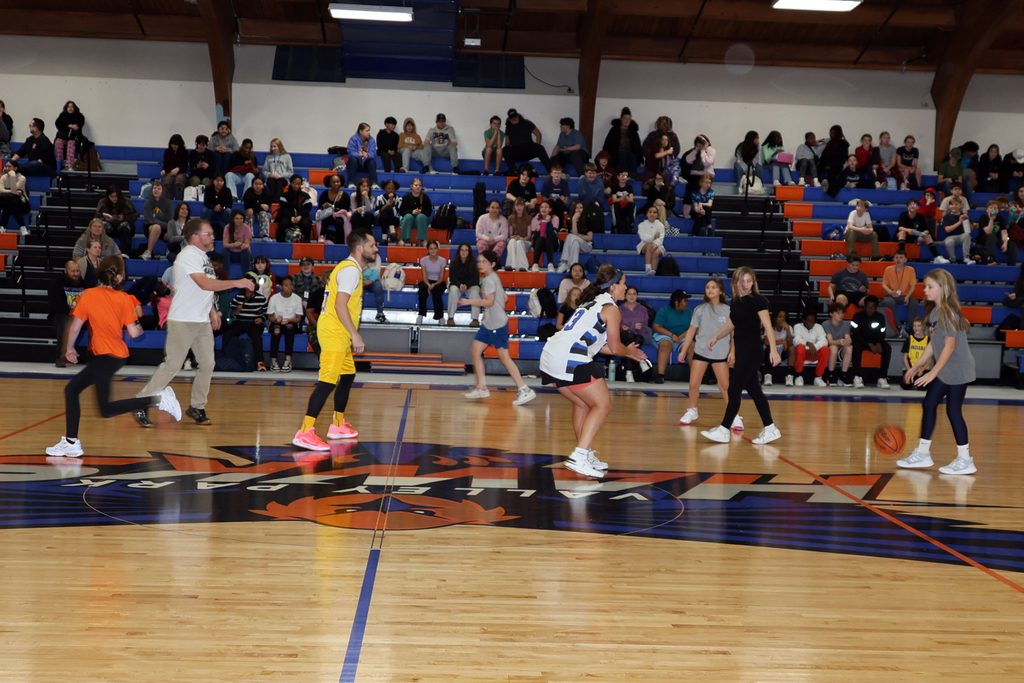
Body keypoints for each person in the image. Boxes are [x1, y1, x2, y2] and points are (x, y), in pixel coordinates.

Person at [45, 256, 181, 458]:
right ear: (120, 276)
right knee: (103, 408)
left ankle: (159, 399)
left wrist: (69, 349)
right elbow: (135, 334)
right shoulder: (124, 299)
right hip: (113, 356)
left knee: (73, 390)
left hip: (107, 356)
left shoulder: (88, 295)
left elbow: (74, 327)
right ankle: (71, 442)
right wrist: (137, 323)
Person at [133, 219, 255, 428]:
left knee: (208, 364)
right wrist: (238, 282)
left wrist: (213, 311)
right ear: (195, 237)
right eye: (208, 234)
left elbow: (200, 289)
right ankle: (141, 402)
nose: (213, 237)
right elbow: (205, 283)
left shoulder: (203, 258)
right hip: (183, 320)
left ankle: (197, 406)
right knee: (172, 364)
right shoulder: (188, 255)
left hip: (201, 321)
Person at [540, 264, 647, 478]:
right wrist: (627, 351)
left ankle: (584, 452)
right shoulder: (612, 309)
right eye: (623, 283)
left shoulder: (593, 302)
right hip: (569, 358)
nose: (625, 288)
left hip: (550, 355)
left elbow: (602, 346)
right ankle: (579, 455)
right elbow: (616, 348)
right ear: (614, 286)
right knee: (603, 404)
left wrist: (628, 353)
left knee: (581, 403)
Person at [292, 230, 378, 450]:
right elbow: (340, 306)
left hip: (339, 332)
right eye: (372, 245)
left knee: (348, 375)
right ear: (360, 248)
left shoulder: (348, 268)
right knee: (328, 381)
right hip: (334, 332)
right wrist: (355, 335)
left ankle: (338, 425)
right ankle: (304, 431)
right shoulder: (350, 271)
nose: (375, 249)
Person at [896, 270, 978, 475]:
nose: (925, 290)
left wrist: (932, 373)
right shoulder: (934, 312)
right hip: (945, 368)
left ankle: (965, 459)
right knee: (929, 404)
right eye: (925, 286)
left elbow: (949, 347)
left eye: (930, 287)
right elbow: (934, 346)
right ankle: (923, 454)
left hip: (958, 369)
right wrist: (916, 367)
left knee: (953, 411)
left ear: (943, 288)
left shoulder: (949, 313)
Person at [700, 266, 782, 445]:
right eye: (743, 281)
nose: (746, 285)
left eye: (749, 281)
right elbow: (731, 324)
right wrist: (716, 337)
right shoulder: (737, 302)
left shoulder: (758, 300)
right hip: (743, 350)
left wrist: (774, 350)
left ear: (754, 282)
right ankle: (770, 428)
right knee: (754, 390)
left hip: (752, 351)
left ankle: (724, 429)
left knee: (734, 388)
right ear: (735, 282)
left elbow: (768, 326)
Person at [461, 249, 538, 405]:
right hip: (489, 323)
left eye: (484, 262)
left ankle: (524, 389)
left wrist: (469, 302)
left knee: (504, 357)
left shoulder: (489, 280)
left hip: (497, 325)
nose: (480, 264)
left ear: (493, 264)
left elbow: (489, 301)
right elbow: (504, 297)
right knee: (475, 352)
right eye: (479, 261)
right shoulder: (492, 278)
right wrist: (488, 312)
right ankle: (482, 387)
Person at [678, 278, 741, 429]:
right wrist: (684, 350)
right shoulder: (699, 310)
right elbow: (692, 331)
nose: (710, 290)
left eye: (714, 287)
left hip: (721, 353)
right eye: (708, 287)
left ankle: (735, 416)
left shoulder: (728, 311)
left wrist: (733, 351)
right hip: (701, 351)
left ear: (720, 291)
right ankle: (692, 410)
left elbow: (733, 334)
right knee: (694, 383)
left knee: (725, 386)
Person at [222, 274, 269, 371]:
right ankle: (225, 357)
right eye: (248, 283)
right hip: (240, 321)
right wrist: (237, 310)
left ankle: (259, 361)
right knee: (228, 334)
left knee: (256, 336)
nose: (251, 285)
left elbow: (266, 314)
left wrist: (261, 319)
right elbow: (231, 315)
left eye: (252, 282)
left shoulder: (261, 298)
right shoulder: (238, 297)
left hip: (254, 322)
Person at [47, 260, 84, 367]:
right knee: (65, 321)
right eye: (73, 271)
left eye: (77, 271)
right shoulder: (56, 284)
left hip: (80, 316)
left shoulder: (85, 285)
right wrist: (74, 313)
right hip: (60, 315)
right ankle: (60, 356)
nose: (76, 274)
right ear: (65, 271)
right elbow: (57, 306)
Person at [851, 294, 891, 389]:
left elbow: (882, 332)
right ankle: (857, 377)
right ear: (864, 307)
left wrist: (878, 343)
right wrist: (869, 344)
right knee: (856, 347)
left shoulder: (880, 317)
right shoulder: (857, 316)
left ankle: (882, 377)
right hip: (861, 341)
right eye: (868, 307)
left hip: (875, 341)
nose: (870, 310)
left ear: (876, 308)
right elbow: (855, 334)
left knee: (887, 348)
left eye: (873, 307)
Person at [652, 290, 691, 384]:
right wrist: (671, 335)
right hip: (665, 335)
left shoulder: (689, 312)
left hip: (682, 336)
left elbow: (694, 328)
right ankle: (660, 375)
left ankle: (696, 375)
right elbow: (656, 326)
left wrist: (682, 335)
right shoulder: (664, 310)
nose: (686, 303)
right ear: (677, 302)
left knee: (692, 346)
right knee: (666, 344)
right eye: (684, 301)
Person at [266, 275, 304, 372]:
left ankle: (288, 359)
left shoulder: (297, 299)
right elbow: (269, 316)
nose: (289, 287)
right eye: (286, 285)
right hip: (276, 322)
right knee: (276, 330)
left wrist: (290, 320)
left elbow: (299, 318)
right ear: (281, 287)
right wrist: (276, 320)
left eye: (291, 285)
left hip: (291, 322)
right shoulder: (274, 298)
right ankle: (273, 360)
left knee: (289, 328)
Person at [881, 249, 919, 336]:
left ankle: (909, 327)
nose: (898, 260)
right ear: (893, 259)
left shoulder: (910, 270)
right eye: (896, 257)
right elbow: (884, 285)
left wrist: (908, 296)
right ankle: (897, 326)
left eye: (901, 258)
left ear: (905, 259)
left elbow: (913, 285)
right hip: (891, 295)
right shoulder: (888, 269)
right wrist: (891, 292)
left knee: (915, 303)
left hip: (905, 295)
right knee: (889, 302)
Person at [618, 285, 651, 382]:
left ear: (637, 296)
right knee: (628, 335)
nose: (632, 296)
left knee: (634, 340)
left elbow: (643, 327)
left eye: (634, 294)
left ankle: (629, 372)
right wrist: (633, 326)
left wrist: (629, 326)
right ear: (625, 296)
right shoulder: (620, 309)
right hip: (624, 335)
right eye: (629, 294)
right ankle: (641, 359)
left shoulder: (643, 310)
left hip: (639, 335)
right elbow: (620, 326)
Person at [503, 108, 550, 173]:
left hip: (528, 148)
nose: (514, 119)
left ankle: (551, 171)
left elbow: (538, 134)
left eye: (515, 117)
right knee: (505, 149)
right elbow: (507, 143)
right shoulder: (508, 127)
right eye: (512, 118)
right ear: (509, 119)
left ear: (518, 116)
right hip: (517, 151)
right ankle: (514, 170)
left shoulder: (526, 123)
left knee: (540, 148)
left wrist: (537, 146)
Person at [601, 107, 644, 179]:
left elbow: (637, 147)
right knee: (623, 155)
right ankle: (623, 174)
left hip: (630, 154)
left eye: (629, 119)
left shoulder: (633, 132)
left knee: (633, 156)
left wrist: (641, 161)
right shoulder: (614, 130)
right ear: (621, 119)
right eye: (625, 118)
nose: (627, 121)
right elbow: (607, 144)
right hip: (617, 154)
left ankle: (633, 175)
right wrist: (606, 157)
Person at [95, 184, 138, 255]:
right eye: (112, 196)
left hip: (124, 228)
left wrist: (125, 217)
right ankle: (104, 252)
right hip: (110, 227)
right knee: (104, 225)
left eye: (116, 196)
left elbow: (134, 215)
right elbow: (96, 217)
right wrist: (104, 219)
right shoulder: (102, 202)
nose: (114, 198)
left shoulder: (126, 201)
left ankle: (125, 252)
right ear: (108, 196)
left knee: (124, 226)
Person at [791, 311, 829, 387]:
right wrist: (808, 343)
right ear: (804, 320)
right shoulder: (797, 327)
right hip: (803, 353)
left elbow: (824, 341)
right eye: (809, 321)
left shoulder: (819, 327)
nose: (811, 323)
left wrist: (814, 347)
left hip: (815, 352)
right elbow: (796, 340)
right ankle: (798, 375)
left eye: (813, 321)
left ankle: (818, 377)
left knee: (825, 350)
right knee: (800, 347)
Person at [680, 134, 715, 213]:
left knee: (702, 196)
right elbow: (688, 160)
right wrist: (696, 150)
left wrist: (703, 151)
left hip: (706, 175)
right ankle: (686, 217)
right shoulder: (694, 151)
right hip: (694, 175)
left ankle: (702, 214)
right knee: (688, 195)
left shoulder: (711, 150)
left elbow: (707, 162)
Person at [448, 242, 481, 327]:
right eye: (462, 250)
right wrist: (460, 285)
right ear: (459, 251)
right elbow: (453, 278)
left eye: (466, 250)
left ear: (469, 252)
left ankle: (475, 319)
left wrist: (466, 285)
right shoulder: (454, 263)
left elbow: (475, 279)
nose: (463, 252)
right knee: (453, 291)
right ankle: (450, 318)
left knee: (475, 293)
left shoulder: (474, 264)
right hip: (457, 285)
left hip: (471, 285)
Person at [822, 302, 853, 386]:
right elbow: (830, 341)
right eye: (838, 313)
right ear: (831, 314)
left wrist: (848, 340)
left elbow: (847, 336)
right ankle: (831, 375)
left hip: (841, 350)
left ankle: (843, 375)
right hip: (831, 349)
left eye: (842, 313)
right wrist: (840, 341)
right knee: (833, 347)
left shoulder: (846, 324)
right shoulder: (826, 324)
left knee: (849, 347)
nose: (841, 315)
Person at [277, 174, 314, 243]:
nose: (297, 186)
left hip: (301, 216)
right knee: (283, 223)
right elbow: (284, 208)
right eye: (295, 183)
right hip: (288, 216)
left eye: (299, 184)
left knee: (307, 223)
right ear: (290, 183)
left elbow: (307, 208)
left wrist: (300, 216)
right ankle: (280, 241)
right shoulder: (284, 195)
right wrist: (291, 216)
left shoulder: (306, 196)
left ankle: (306, 240)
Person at [141, 181, 173, 260]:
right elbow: (150, 219)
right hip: (150, 227)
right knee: (156, 227)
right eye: (154, 188)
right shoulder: (147, 203)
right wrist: (163, 222)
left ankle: (174, 251)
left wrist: (157, 216)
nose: (156, 190)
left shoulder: (168, 203)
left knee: (174, 233)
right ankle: (148, 252)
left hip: (164, 228)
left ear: (162, 191)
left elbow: (169, 217)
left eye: (159, 189)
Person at [304, 271, 334, 357]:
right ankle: (323, 359)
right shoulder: (316, 294)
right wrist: (317, 324)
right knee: (314, 335)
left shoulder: (340, 294)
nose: (329, 280)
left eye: (331, 277)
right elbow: (309, 312)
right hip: (317, 322)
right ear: (323, 280)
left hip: (334, 323)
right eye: (327, 277)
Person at [417, 240, 447, 324]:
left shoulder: (442, 260)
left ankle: (440, 316)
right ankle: (421, 314)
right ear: (427, 250)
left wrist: (434, 285)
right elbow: (424, 276)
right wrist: (428, 285)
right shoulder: (423, 260)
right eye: (431, 249)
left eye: (435, 248)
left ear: (438, 249)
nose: (433, 251)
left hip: (438, 282)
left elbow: (441, 277)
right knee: (422, 290)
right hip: (427, 281)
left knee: (437, 292)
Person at [318, 174, 351, 245]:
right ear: (329, 183)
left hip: (340, 216)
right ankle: (322, 236)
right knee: (326, 217)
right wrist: (324, 207)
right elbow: (319, 207)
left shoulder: (345, 195)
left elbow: (346, 209)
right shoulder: (324, 194)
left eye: (338, 182)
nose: (336, 183)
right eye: (334, 182)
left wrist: (334, 208)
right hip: (327, 215)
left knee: (338, 222)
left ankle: (341, 241)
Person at [939, 197, 973, 264]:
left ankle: (966, 257)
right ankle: (952, 259)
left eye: (956, 204)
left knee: (967, 235)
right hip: (950, 237)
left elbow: (970, 229)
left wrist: (968, 220)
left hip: (961, 236)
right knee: (949, 242)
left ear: (961, 206)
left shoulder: (964, 216)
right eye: (952, 204)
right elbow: (947, 230)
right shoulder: (946, 217)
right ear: (949, 206)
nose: (954, 206)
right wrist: (959, 222)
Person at [51, 100, 84, 169]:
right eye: (68, 107)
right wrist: (69, 125)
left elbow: (78, 126)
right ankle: (60, 163)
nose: (70, 108)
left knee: (70, 143)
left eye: (72, 107)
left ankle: (69, 165)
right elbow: (58, 125)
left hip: (74, 137)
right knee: (58, 142)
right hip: (63, 137)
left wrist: (68, 125)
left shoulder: (79, 116)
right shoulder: (62, 116)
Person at [0, 159, 30, 235]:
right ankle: (22, 227)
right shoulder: (3, 177)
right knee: (11, 204)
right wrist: (11, 192)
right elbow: (1, 190)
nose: (6, 168)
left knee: (14, 200)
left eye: (9, 167)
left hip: (23, 202)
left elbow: (14, 189)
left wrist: (12, 176)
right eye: (6, 166)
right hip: (12, 204)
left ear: (15, 168)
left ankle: (3, 227)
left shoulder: (22, 178)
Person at [399, 177, 432, 245]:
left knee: (421, 217)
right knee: (408, 217)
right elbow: (402, 211)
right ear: (412, 186)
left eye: (420, 185)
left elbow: (429, 212)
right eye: (416, 185)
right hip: (410, 219)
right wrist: (412, 212)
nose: (418, 187)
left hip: (421, 220)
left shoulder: (425, 197)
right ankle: (403, 239)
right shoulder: (406, 197)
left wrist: (421, 211)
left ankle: (423, 239)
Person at [818, 125, 850, 195]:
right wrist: (824, 165)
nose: (831, 134)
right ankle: (824, 182)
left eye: (833, 133)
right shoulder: (829, 143)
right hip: (825, 165)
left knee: (831, 175)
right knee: (816, 170)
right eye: (831, 133)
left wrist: (831, 166)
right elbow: (824, 156)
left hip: (836, 166)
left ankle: (827, 187)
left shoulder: (843, 144)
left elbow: (842, 159)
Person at [765, 308, 794, 386]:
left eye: (784, 317)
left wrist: (787, 329)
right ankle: (768, 375)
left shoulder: (789, 328)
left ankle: (789, 375)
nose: (782, 319)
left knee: (792, 348)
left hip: (784, 352)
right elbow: (766, 342)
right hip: (772, 353)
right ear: (775, 318)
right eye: (780, 317)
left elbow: (790, 343)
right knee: (769, 348)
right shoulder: (770, 328)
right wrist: (782, 342)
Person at [530, 200, 561, 273]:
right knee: (540, 239)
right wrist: (538, 231)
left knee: (548, 239)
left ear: (550, 209)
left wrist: (549, 223)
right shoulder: (535, 218)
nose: (544, 209)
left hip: (553, 243)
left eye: (546, 207)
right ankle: (535, 264)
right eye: (542, 207)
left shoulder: (555, 218)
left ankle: (550, 264)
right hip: (539, 243)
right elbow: (534, 237)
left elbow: (554, 235)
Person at [346, 122, 379, 189]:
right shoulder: (353, 139)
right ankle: (351, 183)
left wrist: (367, 155)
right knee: (353, 160)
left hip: (366, 164)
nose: (369, 132)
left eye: (369, 130)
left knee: (372, 161)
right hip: (356, 164)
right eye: (367, 131)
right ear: (360, 131)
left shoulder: (371, 140)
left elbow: (373, 153)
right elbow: (351, 151)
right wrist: (359, 155)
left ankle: (374, 183)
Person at [900, 317, 930, 390]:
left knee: (923, 387)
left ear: (924, 327)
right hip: (911, 368)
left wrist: (922, 370)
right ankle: (912, 381)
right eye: (914, 326)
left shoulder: (928, 340)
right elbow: (905, 358)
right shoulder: (909, 339)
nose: (916, 328)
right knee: (905, 385)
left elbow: (930, 358)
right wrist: (910, 370)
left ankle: (917, 382)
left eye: (918, 326)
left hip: (922, 370)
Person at [505, 197, 533, 272]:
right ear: (514, 207)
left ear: (524, 206)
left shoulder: (528, 218)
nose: (519, 207)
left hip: (525, 241)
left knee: (519, 243)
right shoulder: (511, 218)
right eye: (517, 205)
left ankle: (523, 266)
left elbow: (528, 235)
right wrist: (513, 237)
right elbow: (510, 234)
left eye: (521, 205)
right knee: (512, 241)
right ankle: (510, 265)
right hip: (515, 239)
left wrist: (521, 239)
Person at [636, 205, 666, 275]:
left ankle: (653, 271)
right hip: (644, 245)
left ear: (657, 215)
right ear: (647, 214)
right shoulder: (641, 225)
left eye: (654, 212)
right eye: (650, 212)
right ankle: (648, 268)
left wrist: (656, 244)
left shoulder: (660, 225)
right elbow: (644, 238)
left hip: (658, 245)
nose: (652, 214)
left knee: (655, 252)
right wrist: (653, 237)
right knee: (649, 246)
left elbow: (661, 238)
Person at [242, 176, 274, 241]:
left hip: (264, 213)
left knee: (263, 213)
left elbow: (266, 208)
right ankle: (248, 236)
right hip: (251, 213)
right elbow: (247, 207)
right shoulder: (248, 193)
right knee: (248, 214)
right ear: (252, 185)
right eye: (256, 184)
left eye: (260, 184)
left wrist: (254, 208)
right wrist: (260, 205)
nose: (258, 186)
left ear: (263, 185)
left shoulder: (267, 193)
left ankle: (265, 236)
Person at [222, 209, 252, 275]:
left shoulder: (247, 228)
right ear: (233, 219)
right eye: (237, 218)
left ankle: (246, 276)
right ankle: (226, 277)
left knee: (246, 253)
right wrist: (234, 245)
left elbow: (247, 244)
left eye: (241, 218)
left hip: (242, 252)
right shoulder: (227, 227)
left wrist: (243, 245)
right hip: (231, 252)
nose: (239, 221)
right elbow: (225, 244)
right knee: (225, 252)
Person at [160, 134, 189, 199]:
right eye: (173, 144)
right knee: (167, 182)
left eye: (176, 145)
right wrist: (163, 170)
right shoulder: (167, 152)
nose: (174, 146)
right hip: (170, 173)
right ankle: (168, 200)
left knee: (179, 181)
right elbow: (165, 165)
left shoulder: (184, 152)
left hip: (181, 173)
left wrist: (178, 169)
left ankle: (179, 200)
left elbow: (185, 167)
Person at [362, 250, 387, 324]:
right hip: (360, 279)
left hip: (372, 281)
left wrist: (370, 280)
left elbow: (376, 272)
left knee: (378, 286)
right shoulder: (359, 255)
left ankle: (380, 313)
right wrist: (361, 280)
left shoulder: (377, 257)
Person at [373, 179, 402, 243]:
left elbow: (397, 214)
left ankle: (384, 238)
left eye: (392, 188)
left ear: (395, 189)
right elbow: (376, 213)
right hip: (381, 219)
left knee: (388, 211)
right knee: (384, 213)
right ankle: (393, 232)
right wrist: (386, 205)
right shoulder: (380, 198)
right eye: (388, 188)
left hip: (395, 220)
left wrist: (392, 202)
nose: (390, 190)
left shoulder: (399, 199)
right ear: (385, 188)